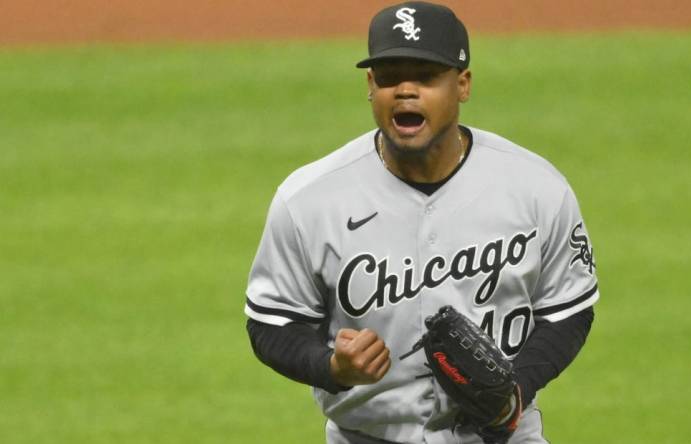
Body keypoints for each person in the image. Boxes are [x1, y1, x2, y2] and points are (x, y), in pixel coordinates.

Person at [244, 2, 599, 443]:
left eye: (426, 76)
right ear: (370, 85)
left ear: (463, 84)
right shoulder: (308, 199)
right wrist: (331, 368)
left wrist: (515, 393)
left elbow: (568, 309)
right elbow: (272, 323)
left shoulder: (535, 187)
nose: (405, 90)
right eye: (390, 76)